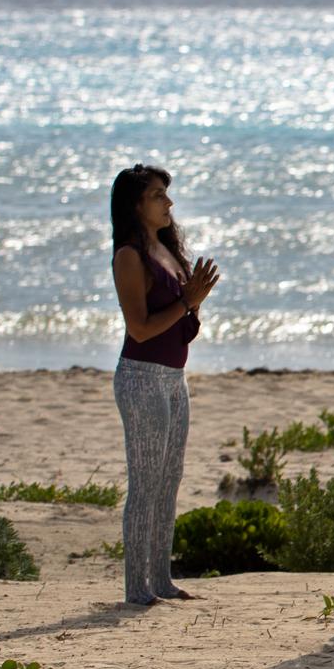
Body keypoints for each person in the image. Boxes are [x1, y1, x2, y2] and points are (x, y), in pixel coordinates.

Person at [108, 165, 217, 609]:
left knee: (169, 481)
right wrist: (186, 302)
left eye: (166, 195)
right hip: (141, 377)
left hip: (174, 378)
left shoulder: (167, 250)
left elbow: (179, 324)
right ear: (136, 204)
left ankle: (161, 578)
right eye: (157, 196)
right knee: (145, 483)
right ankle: (137, 587)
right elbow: (140, 327)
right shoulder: (130, 255)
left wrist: (193, 305)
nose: (168, 203)